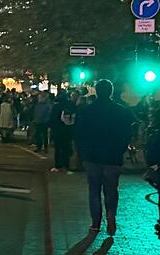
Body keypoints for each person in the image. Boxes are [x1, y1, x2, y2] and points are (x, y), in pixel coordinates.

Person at [75, 80, 136, 235]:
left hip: (92, 156)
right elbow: (129, 132)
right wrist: (121, 148)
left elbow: (79, 134)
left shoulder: (87, 111)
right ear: (111, 91)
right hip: (113, 157)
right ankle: (111, 215)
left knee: (94, 190)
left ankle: (95, 223)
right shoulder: (121, 111)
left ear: (96, 91)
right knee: (111, 189)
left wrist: (82, 153)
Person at [50, 90, 76, 173]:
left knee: (58, 148)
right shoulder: (71, 105)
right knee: (66, 148)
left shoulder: (56, 106)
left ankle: (58, 165)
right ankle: (66, 165)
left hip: (58, 130)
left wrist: (51, 129)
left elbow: (52, 119)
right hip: (68, 129)